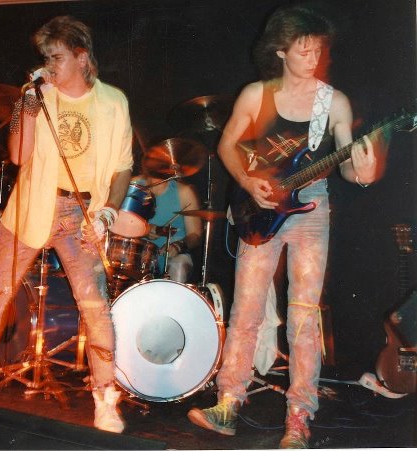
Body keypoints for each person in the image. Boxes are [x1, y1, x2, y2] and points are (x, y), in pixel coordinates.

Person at [187, 2, 386, 448]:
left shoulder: (333, 101)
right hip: (260, 206)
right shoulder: (256, 95)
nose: (313, 58)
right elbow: (227, 145)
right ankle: (228, 403)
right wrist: (248, 182)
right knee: (246, 309)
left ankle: (299, 418)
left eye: (318, 50)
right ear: (280, 50)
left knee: (303, 314)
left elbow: (347, 165)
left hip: (311, 209)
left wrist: (362, 171)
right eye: (303, 50)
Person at [0, 16, 133, 434]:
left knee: (95, 307)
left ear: (82, 57)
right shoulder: (37, 97)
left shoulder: (114, 102)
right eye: (45, 57)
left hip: (82, 212)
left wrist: (109, 211)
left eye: (56, 57)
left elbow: (123, 167)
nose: (49, 65)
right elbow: (19, 155)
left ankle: (105, 398)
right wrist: (25, 103)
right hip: (31, 204)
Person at [134, 170, 203, 283]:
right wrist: (143, 230)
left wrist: (178, 246)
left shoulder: (184, 192)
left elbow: (195, 235)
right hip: (138, 255)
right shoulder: (134, 186)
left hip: (174, 256)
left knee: (179, 264)